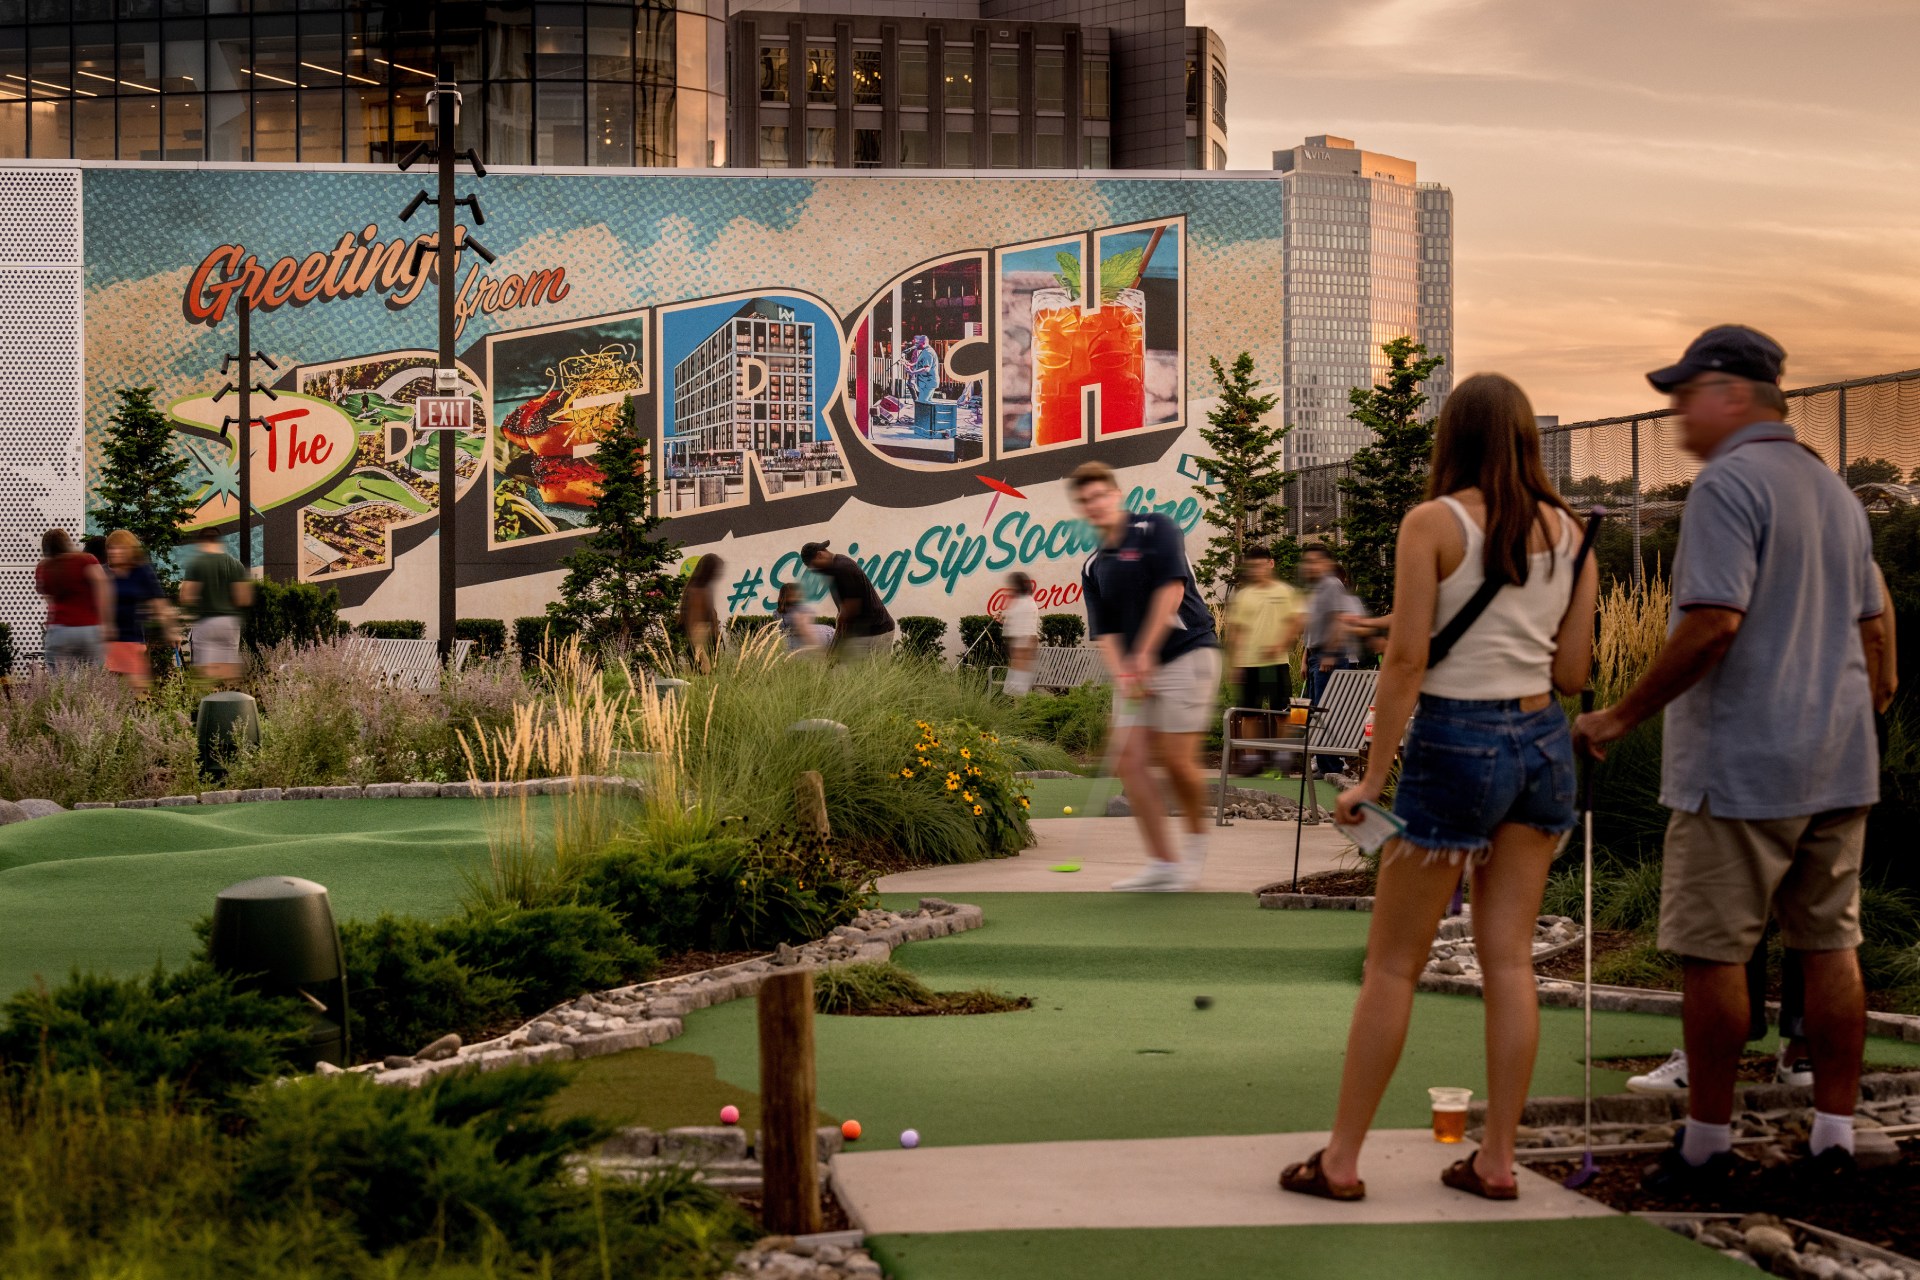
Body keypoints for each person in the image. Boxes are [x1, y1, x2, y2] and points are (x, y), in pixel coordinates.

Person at [1575, 326, 1883, 1191]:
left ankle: (1708, 1146)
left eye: (1685, 396)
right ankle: (1833, 1137)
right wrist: (1868, 705)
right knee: (1830, 947)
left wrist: (1619, 717)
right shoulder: (1835, 492)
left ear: (1733, 394)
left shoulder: (1727, 486)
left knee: (1712, 952)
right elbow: (1875, 625)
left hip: (1743, 763)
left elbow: (1713, 623)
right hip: (1837, 756)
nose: (1675, 414)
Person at [1281, 373, 1597, 1203]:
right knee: (1510, 962)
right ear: (1529, 437)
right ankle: (1496, 1160)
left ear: (1449, 435)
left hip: (1458, 741)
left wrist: (1371, 778)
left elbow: (1408, 661)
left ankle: (1342, 1162)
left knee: (1392, 966)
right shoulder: (1574, 533)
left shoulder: (1433, 522)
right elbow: (1572, 671)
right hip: (1541, 743)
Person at [1072, 461, 1222, 891]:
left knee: (1177, 762)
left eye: (1099, 495)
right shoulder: (1093, 564)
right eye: (1085, 501)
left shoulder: (1156, 528)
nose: (1094, 505)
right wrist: (1125, 670)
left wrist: (1144, 653)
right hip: (1137, 665)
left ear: (1116, 495)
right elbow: (1106, 633)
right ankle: (1163, 862)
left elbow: (1172, 591)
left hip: (1186, 653)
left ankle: (1193, 855)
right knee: (1129, 761)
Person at [1223, 547, 1301, 769]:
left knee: (1282, 712)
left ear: (1271, 563)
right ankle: (1251, 759)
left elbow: (1295, 622)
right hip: (1248, 663)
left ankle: (1284, 757)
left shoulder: (1285, 592)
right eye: (1252, 566)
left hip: (1275, 662)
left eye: (1261, 564)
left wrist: (1280, 643)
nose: (1257, 570)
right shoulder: (1244, 595)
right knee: (1249, 714)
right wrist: (1235, 663)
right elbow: (1236, 631)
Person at [1299, 546, 1354, 776]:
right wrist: (1305, 659)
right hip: (1314, 656)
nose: (1310, 566)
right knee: (1315, 711)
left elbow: (1339, 620)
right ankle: (1323, 765)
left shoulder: (1332, 584)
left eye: (1315, 561)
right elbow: (1310, 629)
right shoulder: (1316, 589)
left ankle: (1332, 766)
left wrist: (1331, 653)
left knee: (1326, 712)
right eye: (1307, 561)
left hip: (1327, 656)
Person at [102, 530, 177, 695]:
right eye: (111, 548)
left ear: (130, 549)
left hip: (132, 639)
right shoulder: (106, 572)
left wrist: (170, 630)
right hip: (110, 642)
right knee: (111, 692)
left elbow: (159, 603)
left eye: (119, 548)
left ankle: (142, 718)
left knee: (139, 689)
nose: (114, 552)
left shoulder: (141, 571)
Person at [177, 534, 253, 686]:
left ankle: (208, 705)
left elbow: (186, 596)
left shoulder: (197, 563)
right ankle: (231, 703)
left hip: (206, 622)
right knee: (229, 670)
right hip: (229, 624)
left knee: (206, 674)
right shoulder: (235, 564)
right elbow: (244, 598)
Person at [800, 541, 896, 660]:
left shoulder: (842, 568)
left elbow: (849, 611)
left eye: (815, 566)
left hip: (878, 632)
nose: (817, 571)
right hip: (867, 632)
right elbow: (844, 610)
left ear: (820, 555)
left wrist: (834, 652)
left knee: (874, 676)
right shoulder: (837, 566)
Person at [34, 529, 110, 671]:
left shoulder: (42, 568)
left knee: (61, 685)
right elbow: (103, 586)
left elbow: (49, 599)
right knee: (93, 682)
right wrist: (105, 622)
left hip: (59, 631)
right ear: (66, 543)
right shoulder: (86, 560)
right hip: (89, 629)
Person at [678, 553, 724, 670]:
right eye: (716, 570)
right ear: (708, 571)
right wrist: (703, 655)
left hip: (704, 645)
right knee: (706, 681)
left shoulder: (700, 589)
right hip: (702, 646)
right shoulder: (697, 591)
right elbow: (696, 627)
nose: (718, 573)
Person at [1000, 571, 1042, 696]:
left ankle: (1020, 711)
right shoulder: (1025, 601)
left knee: (1018, 685)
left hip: (1022, 644)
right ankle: (1018, 709)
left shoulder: (1023, 602)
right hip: (1022, 643)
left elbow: (1022, 628)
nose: (1009, 589)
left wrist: (1019, 650)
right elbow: (1017, 622)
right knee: (1017, 683)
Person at [775, 581, 833, 655]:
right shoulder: (799, 610)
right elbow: (805, 629)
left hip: (789, 645)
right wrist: (817, 647)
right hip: (809, 641)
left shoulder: (777, 613)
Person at [906, 335, 940, 436]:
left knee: (922, 404)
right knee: (927, 403)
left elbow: (926, 368)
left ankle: (922, 427)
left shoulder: (928, 353)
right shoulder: (925, 351)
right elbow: (920, 362)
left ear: (923, 343)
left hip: (928, 383)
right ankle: (927, 426)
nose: (916, 345)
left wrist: (913, 372)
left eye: (918, 343)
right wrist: (911, 365)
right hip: (928, 382)